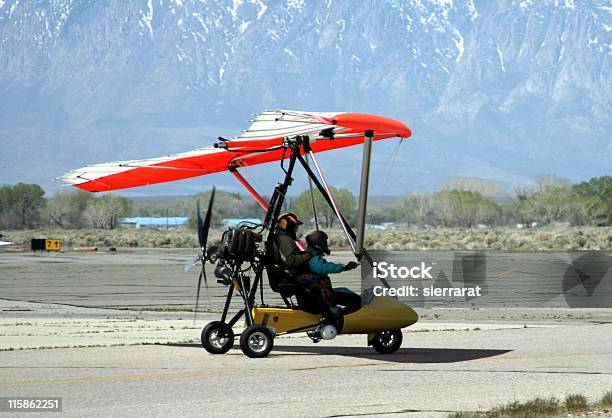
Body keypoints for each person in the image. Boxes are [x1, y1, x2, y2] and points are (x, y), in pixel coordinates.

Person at [304, 230, 361, 316]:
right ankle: (342, 317)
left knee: (345, 290)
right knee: (356, 299)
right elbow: (323, 267)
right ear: (319, 244)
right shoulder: (313, 258)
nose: (326, 244)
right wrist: (344, 267)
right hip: (319, 295)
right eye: (325, 242)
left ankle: (341, 314)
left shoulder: (310, 255)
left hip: (319, 292)